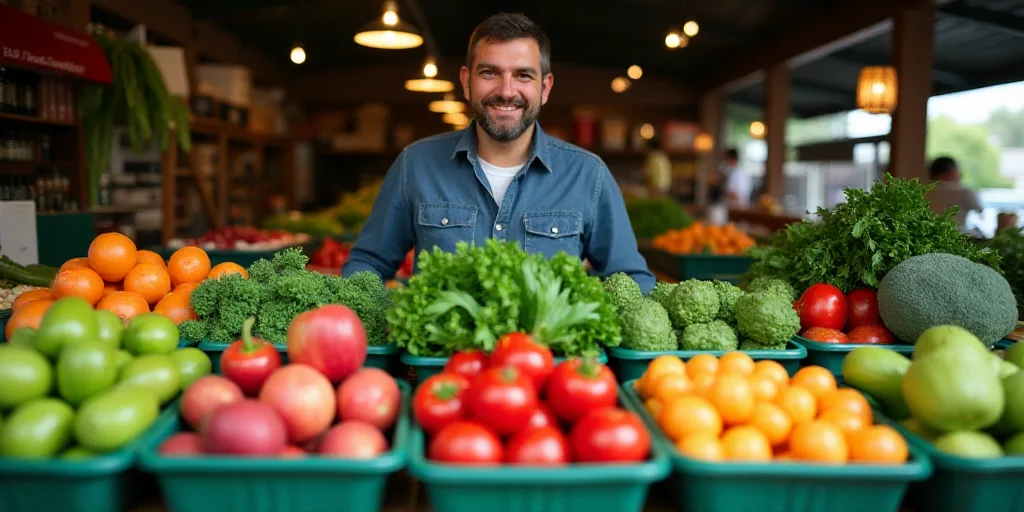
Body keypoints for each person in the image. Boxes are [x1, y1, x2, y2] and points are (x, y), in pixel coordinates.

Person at [341, 13, 655, 293]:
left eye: (523, 75)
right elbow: (368, 265)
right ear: (466, 82)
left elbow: (630, 281)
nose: (506, 91)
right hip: (440, 358)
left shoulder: (588, 175)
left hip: (547, 358)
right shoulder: (416, 165)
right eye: (489, 73)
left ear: (545, 88)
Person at [926, 156, 983, 231]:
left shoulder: (924, 190)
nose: (960, 175)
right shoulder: (965, 192)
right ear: (950, 172)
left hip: (928, 236)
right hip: (958, 236)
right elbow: (980, 210)